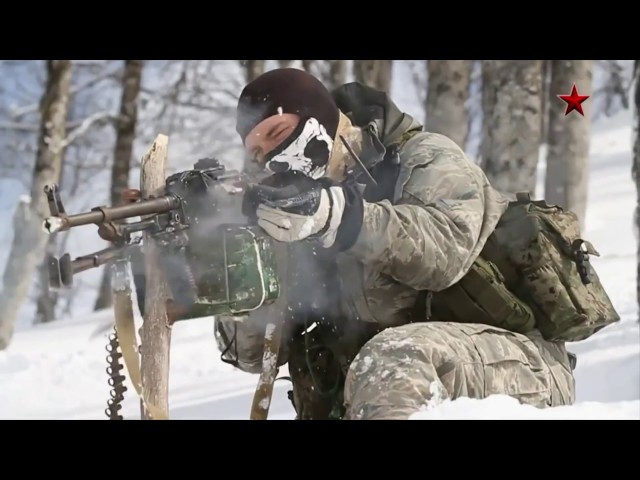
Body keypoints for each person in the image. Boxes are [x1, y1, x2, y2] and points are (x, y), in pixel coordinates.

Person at [214, 67, 579, 420]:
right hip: (391, 389)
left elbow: (446, 251)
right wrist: (237, 264)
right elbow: (252, 355)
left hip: (518, 365)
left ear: (317, 116)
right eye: (259, 155)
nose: (272, 158)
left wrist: (339, 218)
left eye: (278, 133)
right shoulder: (292, 220)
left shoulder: (425, 157)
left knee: (394, 359)